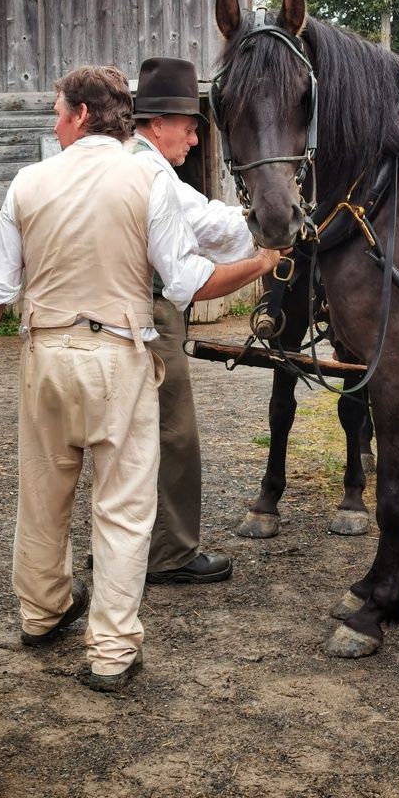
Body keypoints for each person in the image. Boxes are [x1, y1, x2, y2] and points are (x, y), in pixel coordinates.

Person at [0, 65, 280, 693]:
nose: (57, 124)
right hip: (116, 355)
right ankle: (112, 650)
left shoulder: (30, 182)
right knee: (122, 508)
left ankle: (42, 613)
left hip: (43, 353)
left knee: (42, 493)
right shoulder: (148, 179)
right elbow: (188, 283)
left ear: (83, 115)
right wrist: (260, 262)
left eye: (60, 113)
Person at [130, 57, 256, 585]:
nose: (196, 140)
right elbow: (205, 232)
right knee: (174, 434)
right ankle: (171, 553)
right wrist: (269, 240)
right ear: (157, 124)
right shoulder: (151, 171)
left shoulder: (129, 160)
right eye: (189, 127)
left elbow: (206, 218)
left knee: (125, 438)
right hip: (150, 312)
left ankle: (125, 546)